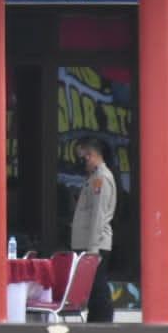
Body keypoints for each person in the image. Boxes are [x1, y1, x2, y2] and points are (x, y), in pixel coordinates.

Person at [70, 136, 116, 323]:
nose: (81, 163)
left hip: (95, 245)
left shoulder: (101, 178)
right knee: (91, 290)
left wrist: (93, 250)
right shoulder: (94, 178)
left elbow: (98, 215)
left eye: (82, 157)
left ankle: (103, 324)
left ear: (90, 155)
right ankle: (95, 323)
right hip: (89, 243)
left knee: (98, 290)